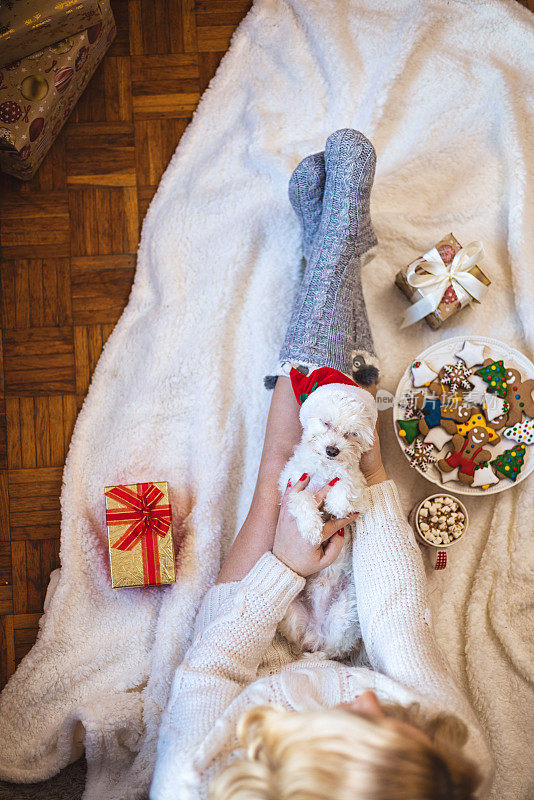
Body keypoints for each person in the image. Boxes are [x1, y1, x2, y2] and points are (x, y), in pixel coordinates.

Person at [150, 130, 493, 800]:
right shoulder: (451, 757)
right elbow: (399, 627)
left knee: (280, 467)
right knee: (346, 424)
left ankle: (331, 244)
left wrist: (283, 566)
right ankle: (335, 242)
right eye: (397, 724)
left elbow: (212, 668)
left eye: (367, 725)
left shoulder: (194, 775)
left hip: (251, 664)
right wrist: (367, 477)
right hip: (358, 629)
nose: (380, 705)